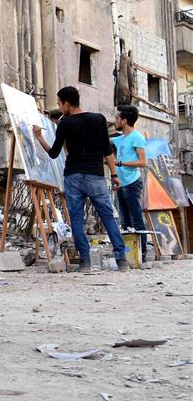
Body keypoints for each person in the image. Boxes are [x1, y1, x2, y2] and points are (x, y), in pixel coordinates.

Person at [32, 86, 128, 272]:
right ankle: (121, 260)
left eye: (60, 103)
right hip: (95, 175)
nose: (59, 107)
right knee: (107, 216)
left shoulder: (65, 124)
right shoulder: (98, 119)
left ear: (67, 104)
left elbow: (53, 153)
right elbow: (107, 150)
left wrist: (39, 137)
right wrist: (114, 174)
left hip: (73, 176)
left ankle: (85, 262)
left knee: (76, 218)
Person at [112, 104, 148, 261]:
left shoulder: (137, 137)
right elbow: (103, 141)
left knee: (136, 219)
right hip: (121, 184)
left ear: (124, 120)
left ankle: (142, 254)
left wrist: (120, 163)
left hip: (132, 183)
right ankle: (129, 254)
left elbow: (142, 162)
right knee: (125, 221)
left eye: (117, 118)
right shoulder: (120, 138)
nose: (115, 121)